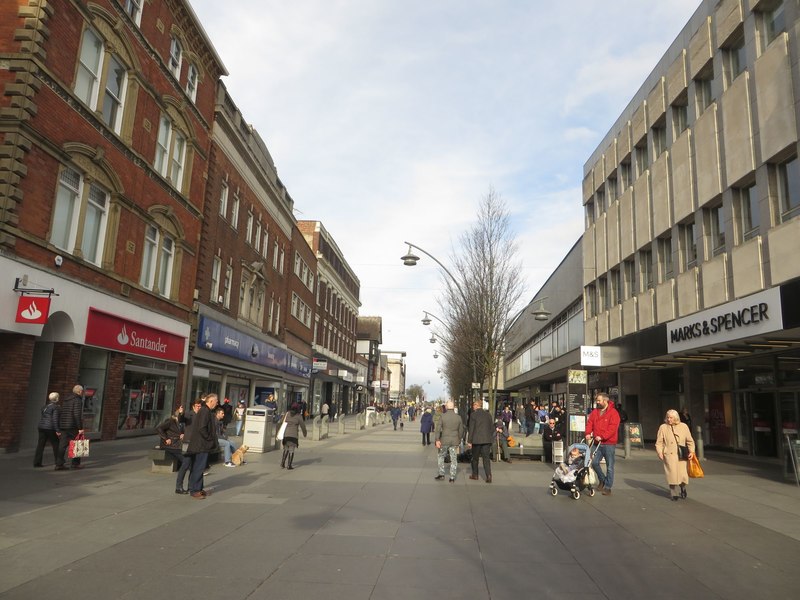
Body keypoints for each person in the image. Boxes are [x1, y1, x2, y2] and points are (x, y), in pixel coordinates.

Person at [585, 392, 621, 496]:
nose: (597, 402)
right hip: (597, 443)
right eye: (597, 400)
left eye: (599, 400)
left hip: (609, 443)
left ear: (605, 401)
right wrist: (588, 433)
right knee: (594, 463)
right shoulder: (595, 412)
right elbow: (590, 423)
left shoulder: (613, 413)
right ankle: (602, 479)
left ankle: (608, 487)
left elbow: (612, 428)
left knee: (610, 466)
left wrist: (603, 436)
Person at [655, 409, 696, 501]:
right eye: (668, 417)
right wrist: (660, 452)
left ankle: (683, 487)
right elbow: (659, 442)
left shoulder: (684, 427)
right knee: (671, 474)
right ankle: (673, 492)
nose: (669, 419)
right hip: (669, 454)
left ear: (676, 418)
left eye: (671, 418)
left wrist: (692, 452)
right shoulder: (663, 427)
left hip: (682, 455)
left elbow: (690, 441)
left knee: (682, 475)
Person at [186, 393, 219, 499]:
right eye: (216, 401)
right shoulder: (205, 411)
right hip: (201, 444)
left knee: (200, 467)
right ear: (211, 401)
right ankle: (194, 490)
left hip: (202, 444)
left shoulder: (206, 411)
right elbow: (202, 428)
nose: (217, 403)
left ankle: (198, 488)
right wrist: (209, 438)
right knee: (198, 467)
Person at [156, 406, 192, 494]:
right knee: (186, 462)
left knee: (189, 462)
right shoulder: (170, 421)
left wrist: (181, 435)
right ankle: (179, 487)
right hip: (171, 445)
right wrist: (166, 438)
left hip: (177, 445)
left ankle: (190, 486)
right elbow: (159, 428)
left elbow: (178, 432)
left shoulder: (179, 423)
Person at [55, 384, 84, 471]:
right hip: (72, 425)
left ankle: (59, 464)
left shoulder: (66, 400)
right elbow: (76, 414)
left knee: (62, 445)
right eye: (82, 391)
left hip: (63, 425)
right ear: (79, 391)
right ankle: (75, 463)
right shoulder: (77, 400)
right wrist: (80, 428)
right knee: (77, 444)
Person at [434, 400, 465, 482]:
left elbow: (438, 429)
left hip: (444, 440)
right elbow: (461, 430)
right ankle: (452, 477)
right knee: (453, 458)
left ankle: (441, 474)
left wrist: (437, 439)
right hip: (454, 441)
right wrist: (459, 439)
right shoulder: (458, 417)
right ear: (454, 407)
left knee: (441, 456)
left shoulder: (442, 416)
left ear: (447, 407)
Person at [467, 400, 494, 483]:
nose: (473, 407)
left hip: (476, 440)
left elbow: (471, 429)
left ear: (476, 405)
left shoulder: (473, 415)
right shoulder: (488, 415)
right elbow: (492, 428)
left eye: (474, 405)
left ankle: (475, 475)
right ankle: (488, 475)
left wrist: (469, 441)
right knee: (486, 459)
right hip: (487, 440)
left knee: (475, 458)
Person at [34, 392, 61, 468]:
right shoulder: (56, 407)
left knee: (40, 445)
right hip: (50, 428)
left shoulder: (45, 407)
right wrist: (58, 430)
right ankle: (58, 462)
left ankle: (37, 462)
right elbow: (55, 419)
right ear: (57, 398)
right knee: (56, 444)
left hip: (41, 427)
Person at [280, 403, 307, 470]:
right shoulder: (298, 416)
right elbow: (302, 425)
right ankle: (289, 465)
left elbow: (281, 422)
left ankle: (282, 463)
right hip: (293, 436)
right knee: (291, 450)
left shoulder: (287, 414)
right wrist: (305, 433)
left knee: (286, 448)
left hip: (286, 435)